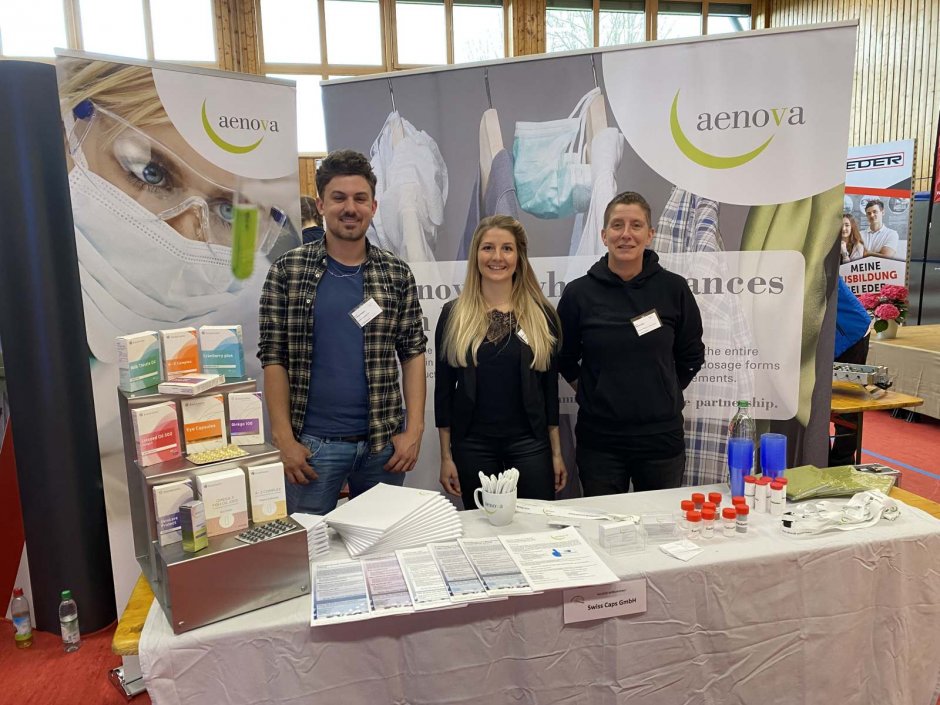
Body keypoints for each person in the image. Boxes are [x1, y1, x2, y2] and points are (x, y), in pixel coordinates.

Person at [259, 150, 428, 514]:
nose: (350, 208)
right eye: (339, 198)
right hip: (312, 448)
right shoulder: (287, 271)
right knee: (310, 544)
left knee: (379, 545)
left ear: (373, 206)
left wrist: (414, 431)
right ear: (321, 204)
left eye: (360, 199)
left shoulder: (396, 274)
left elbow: (413, 352)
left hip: (383, 446)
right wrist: (283, 438)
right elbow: (274, 357)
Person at [557, 191, 704, 495]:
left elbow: (691, 354)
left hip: (661, 440)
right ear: (604, 235)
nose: (626, 234)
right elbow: (564, 356)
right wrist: (592, 391)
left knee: (660, 520)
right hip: (600, 441)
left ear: (650, 234)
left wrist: (664, 389)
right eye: (617, 225)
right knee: (604, 521)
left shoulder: (674, 289)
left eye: (636, 225)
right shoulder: (579, 293)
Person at [435, 215, 567, 509]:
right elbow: (443, 393)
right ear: (476, 255)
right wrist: (446, 457)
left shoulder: (542, 315)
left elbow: (550, 392)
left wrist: (556, 453)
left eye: (507, 248)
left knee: (536, 523)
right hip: (473, 447)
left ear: (519, 257)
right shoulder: (453, 315)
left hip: (530, 444)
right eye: (488, 248)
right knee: (483, 527)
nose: (497, 257)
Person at [829, 277, 873, 466]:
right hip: (828, 335)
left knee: (847, 403)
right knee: (816, 403)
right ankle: (819, 457)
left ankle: (842, 461)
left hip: (851, 332)